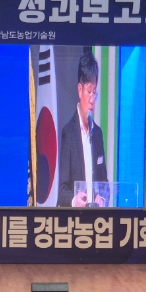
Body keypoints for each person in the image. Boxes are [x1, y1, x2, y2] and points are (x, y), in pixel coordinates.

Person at [57, 50, 108, 207]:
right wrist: (75, 201)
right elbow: (62, 190)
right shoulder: (68, 133)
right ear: (80, 90)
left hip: (97, 217)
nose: (92, 99)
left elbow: (105, 184)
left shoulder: (97, 134)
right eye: (89, 91)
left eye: (95, 93)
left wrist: (102, 198)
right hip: (76, 217)